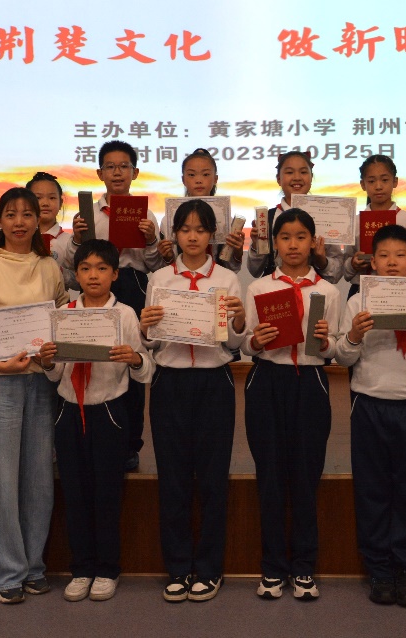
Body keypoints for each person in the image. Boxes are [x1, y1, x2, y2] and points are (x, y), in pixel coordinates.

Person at [0, 188, 68, 604]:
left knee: (38, 480)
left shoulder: (48, 266)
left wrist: (55, 348)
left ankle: (34, 566)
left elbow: (61, 316)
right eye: (10, 214)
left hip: (40, 383)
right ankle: (7, 573)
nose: (20, 222)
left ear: (39, 220)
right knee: (2, 482)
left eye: (27, 214)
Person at [335, 224, 406, 608]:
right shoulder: (357, 301)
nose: (392, 262)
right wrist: (353, 335)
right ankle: (380, 570)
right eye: (383, 255)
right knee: (373, 491)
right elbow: (343, 358)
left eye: (400, 255)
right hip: (369, 403)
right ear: (372, 262)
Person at [140, 200, 246, 603]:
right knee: (173, 478)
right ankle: (178, 567)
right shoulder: (160, 277)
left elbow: (233, 342)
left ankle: (209, 568)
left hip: (213, 382)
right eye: (185, 229)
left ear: (212, 236)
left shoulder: (227, 279)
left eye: (201, 230)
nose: (193, 237)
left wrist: (238, 321)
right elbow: (152, 342)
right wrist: (146, 329)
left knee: (213, 479)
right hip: (169, 383)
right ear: (174, 235)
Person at [42, 239, 153, 603]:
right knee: (75, 492)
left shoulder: (125, 315)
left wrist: (134, 359)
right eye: (86, 268)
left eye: (102, 268)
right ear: (76, 274)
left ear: (115, 274)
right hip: (68, 411)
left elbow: (145, 370)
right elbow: (55, 374)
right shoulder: (64, 313)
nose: (93, 275)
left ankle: (107, 569)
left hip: (108, 412)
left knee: (106, 493)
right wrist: (47, 360)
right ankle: (81, 568)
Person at [241, 208, 340, 601]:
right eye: (285, 237)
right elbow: (244, 344)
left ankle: (303, 567)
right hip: (267, 381)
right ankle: (272, 568)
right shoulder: (258, 288)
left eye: (301, 237)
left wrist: (326, 343)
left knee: (305, 476)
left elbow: (334, 349)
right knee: (269, 476)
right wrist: (255, 341)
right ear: (274, 243)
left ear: (313, 242)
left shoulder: (329, 292)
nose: (293, 244)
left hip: (311, 383)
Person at [58, 139, 165, 471]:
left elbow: (153, 263)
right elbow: (73, 265)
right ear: (100, 173)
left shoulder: (146, 214)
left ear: (135, 172)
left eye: (123, 166)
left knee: (130, 358)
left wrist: (151, 239)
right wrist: (77, 238)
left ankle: (130, 443)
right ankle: (87, 428)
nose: (117, 172)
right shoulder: (87, 214)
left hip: (132, 285)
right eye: (110, 166)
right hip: (94, 287)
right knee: (91, 354)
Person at [245, 150, 344, 282]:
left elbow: (336, 275)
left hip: (313, 290)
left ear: (311, 177)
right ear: (278, 179)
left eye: (303, 172)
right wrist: (256, 245)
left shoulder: (325, 217)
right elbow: (254, 270)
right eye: (289, 172)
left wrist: (322, 261)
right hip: (275, 290)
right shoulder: (267, 219)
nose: (297, 177)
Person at [342, 155, 406, 290]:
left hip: (401, 289)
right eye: (371, 181)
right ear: (363, 184)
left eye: (384, 180)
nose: (378, 186)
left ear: (395, 181)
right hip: (361, 288)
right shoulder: (356, 221)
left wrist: (402, 257)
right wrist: (353, 263)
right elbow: (345, 266)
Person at [155, 148, 246, 272]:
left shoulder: (226, 220)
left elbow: (232, 268)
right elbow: (166, 267)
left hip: (217, 278)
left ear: (215, 179)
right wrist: (167, 257)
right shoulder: (169, 219)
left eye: (206, 174)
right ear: (183, 180)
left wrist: (237, 252)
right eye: (191, 175)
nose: (198, 180)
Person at [26, 171, 68, 258]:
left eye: (52, 198)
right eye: (38, 198)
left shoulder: (70, 241)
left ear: (60, 203)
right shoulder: (21, 239)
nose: (45, 203)